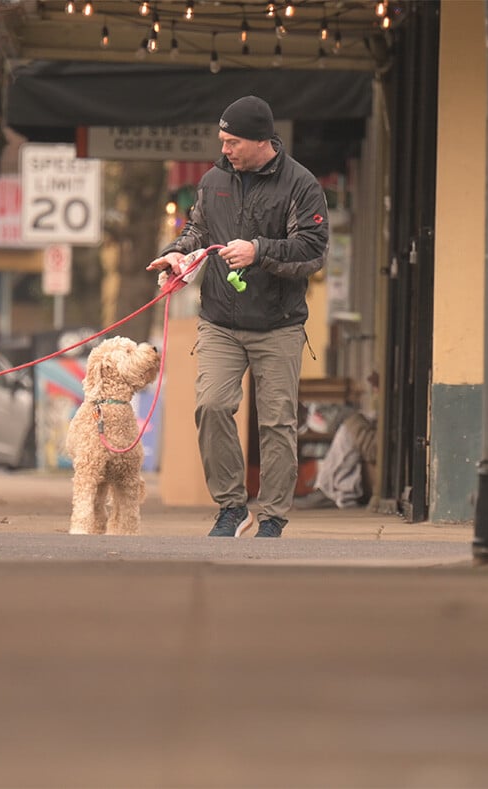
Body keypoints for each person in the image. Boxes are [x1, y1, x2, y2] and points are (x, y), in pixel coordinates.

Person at [147, 95, 330, 538]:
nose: (224, 149)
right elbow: (196, 230)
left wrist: (259, 250)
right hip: (220, 321)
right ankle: (231, 506)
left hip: (279, 323)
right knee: (211, 406)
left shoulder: (300, 185)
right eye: (222, 140)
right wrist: (175, 255)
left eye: (232, 142)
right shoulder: (213, 181)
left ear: (261, 140)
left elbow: (313, 251)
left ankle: (271, 516)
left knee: (277, 422)